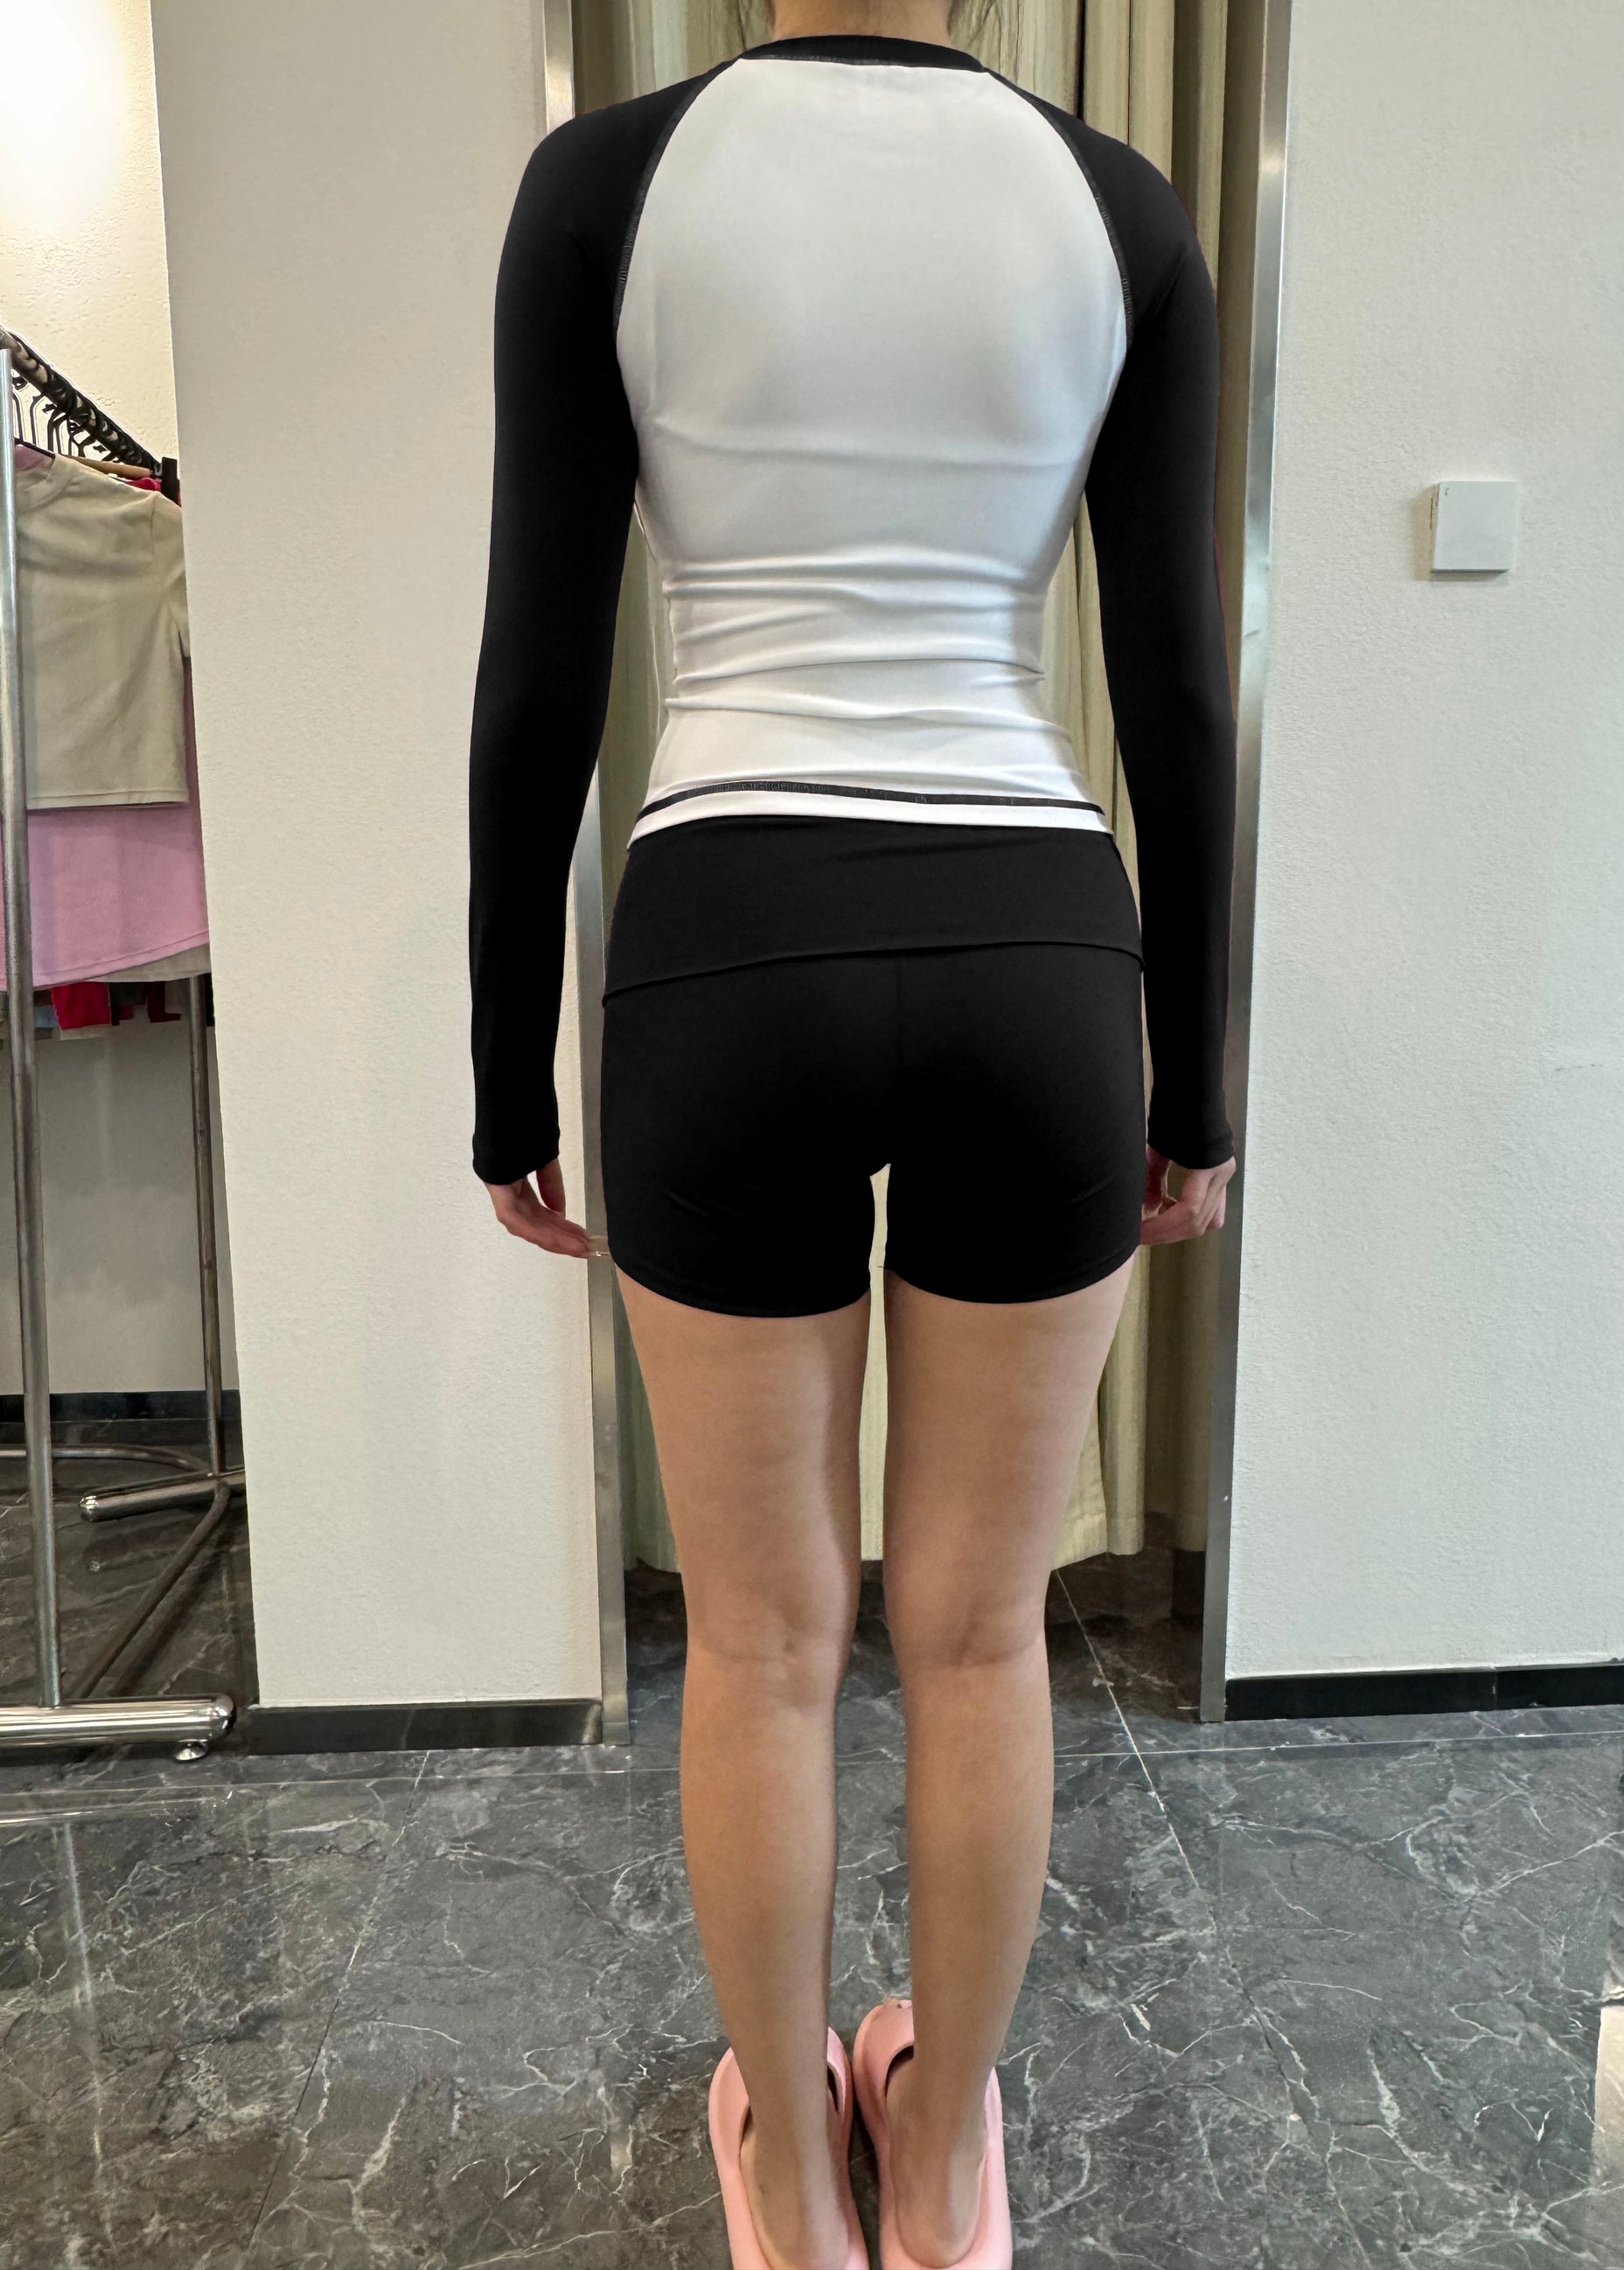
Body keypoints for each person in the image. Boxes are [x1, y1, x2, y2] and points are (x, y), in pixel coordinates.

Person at [467, 0, 1237, 2261]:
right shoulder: (1115, 206)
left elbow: (538, 676)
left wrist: (506, 1074)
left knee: (765, 1638)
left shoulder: (609, 183)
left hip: (728, 946)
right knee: (980, 1633)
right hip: (1033, 952)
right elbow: (1178, 695)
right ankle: (944, 2166)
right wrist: (1195, 1087)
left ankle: (797, 2206)